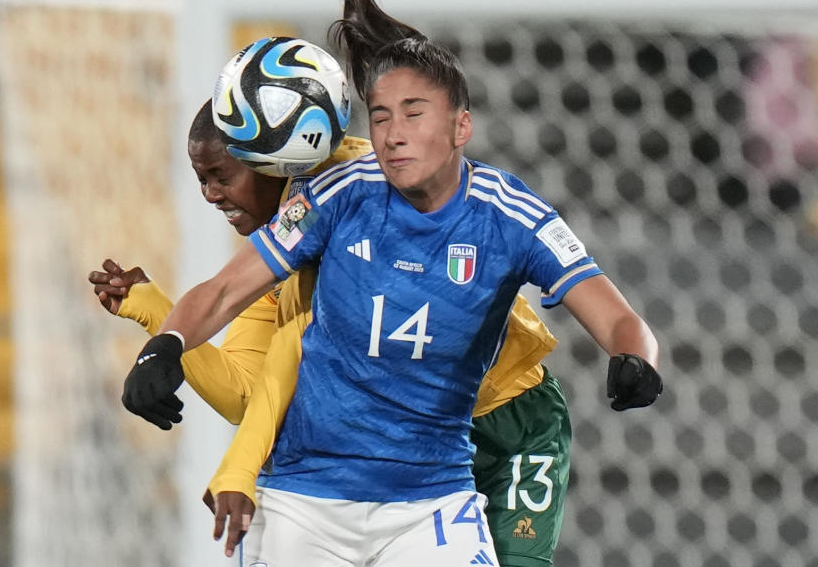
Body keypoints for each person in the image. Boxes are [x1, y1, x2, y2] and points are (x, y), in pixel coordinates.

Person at [115, 0, 662, 564]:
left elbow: (613, 312)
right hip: (336, 480)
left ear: (461, 127)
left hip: (481, 443)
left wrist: (634, 354)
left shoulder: (506, 213)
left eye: (413, 115)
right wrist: (163, 342)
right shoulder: (327, 203)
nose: (394, 134)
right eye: (381, 117)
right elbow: (232, 321)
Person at [93, 105, 568, 564]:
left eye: (221, 175)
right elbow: (245, 393)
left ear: (274, 162)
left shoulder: (352, 194)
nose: (211, 195)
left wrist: (238, 468)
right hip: (396, 446)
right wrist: (157, 316)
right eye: (202, 180)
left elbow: (290, 355)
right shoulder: (274, 265)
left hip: (506, 416)